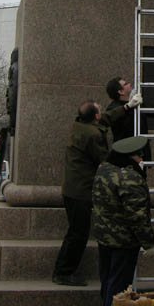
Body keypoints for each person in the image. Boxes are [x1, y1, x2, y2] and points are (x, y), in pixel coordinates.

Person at [92, 135, 154, 306]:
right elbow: (137, 216)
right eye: (139, 156)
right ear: (131, 157)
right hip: (124, 240)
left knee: (107, 280)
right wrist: (149, 243)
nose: (141, 159)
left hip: (104, 236)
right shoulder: (130, 178)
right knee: (119, 284)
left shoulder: (103, 169)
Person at [52, 100, 108, 286]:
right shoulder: (92, 135)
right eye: (99, 109)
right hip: (81, 190)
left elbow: (103, 120)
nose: (102, 109)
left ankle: (63, 270)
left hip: (72, 188)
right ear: (96, 116)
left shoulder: (78, 126)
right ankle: (63, 272)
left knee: (75, 232)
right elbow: (103, 158)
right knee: (78, 234)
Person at [101, 75, 151, 160]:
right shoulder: (113, 108)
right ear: (121, 92)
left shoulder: (136, 103)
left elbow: (152, 113)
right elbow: (124, 131)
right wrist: (129, 106)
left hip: (141, 151)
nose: (130, 84)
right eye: (126, 84)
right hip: (126, 156)